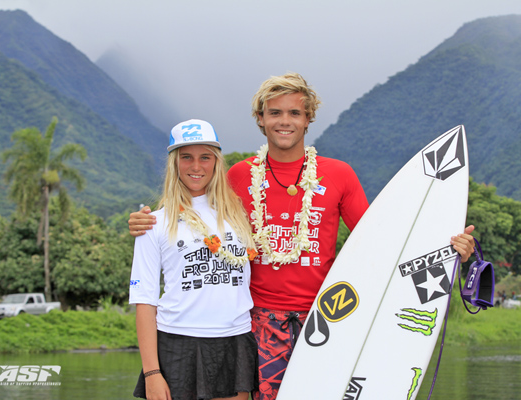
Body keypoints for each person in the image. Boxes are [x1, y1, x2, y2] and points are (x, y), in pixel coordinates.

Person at [128, 73, 476, 400]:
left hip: (328, 316)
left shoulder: (339, 174)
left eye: (295, 112)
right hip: (254, 324)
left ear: (308, 118)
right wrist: (147, 221)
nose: (285, 121)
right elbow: (195, 203)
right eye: (275, 112)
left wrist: (448, 248)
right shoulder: (238, 175)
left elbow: (381, 242)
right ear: (260, 119)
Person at [129, 119, 259, 400]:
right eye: (186, 157)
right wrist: (151, 372)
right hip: (178, 342)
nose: (196, 166)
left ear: (216, 162)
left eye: (205, 157)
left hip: (234, 339)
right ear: (175, 163)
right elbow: (144, 299)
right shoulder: (153, 223)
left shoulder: (239, 215)